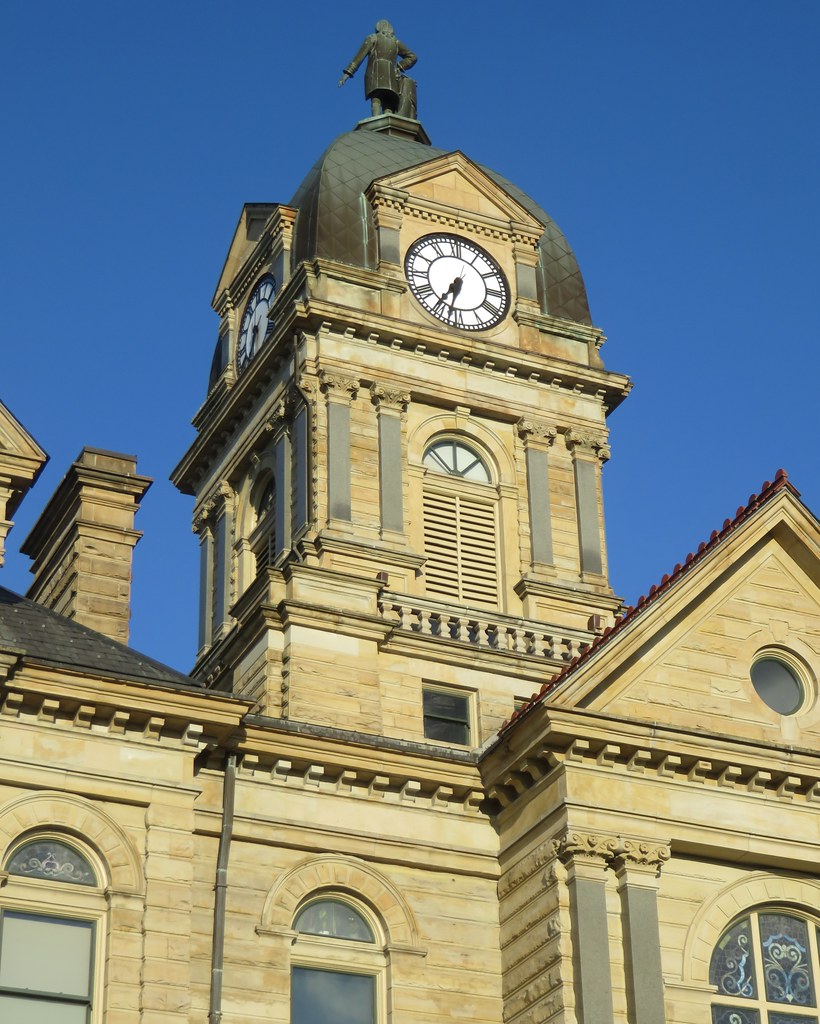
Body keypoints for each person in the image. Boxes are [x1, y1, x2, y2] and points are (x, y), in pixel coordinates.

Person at [339, 21, 417, 118]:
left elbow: (359, 57)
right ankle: (387, 125)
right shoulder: (395, 42)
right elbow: (412, 57)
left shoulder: (372, 38)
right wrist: (399, 67)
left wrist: (348, 73)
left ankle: (376, 122)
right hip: (391, 77)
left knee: (376, 99)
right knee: (388, 102)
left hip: (374, 73)